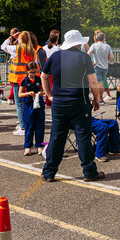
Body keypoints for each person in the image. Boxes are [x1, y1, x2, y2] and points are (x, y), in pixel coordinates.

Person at [41, 30, 104, 183]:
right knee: (83, 137)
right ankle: (89, 171)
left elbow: (44, 76)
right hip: (79, 102)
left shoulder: (55, 56)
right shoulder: (83, 57)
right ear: (79, 43)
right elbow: (93, 81)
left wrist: (49, 95)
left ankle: (49, 172)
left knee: (57, 137)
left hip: (59, 103)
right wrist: (96, 99)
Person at [3, 29, 37, 136]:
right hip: (28, 79)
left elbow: (3, 46)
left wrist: (10, 38)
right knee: (28, 103)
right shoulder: (32, 51)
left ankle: (23, 127)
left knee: (19, 104)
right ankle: (29, 124)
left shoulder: (16, 49)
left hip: (18, 80)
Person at [18, 63, 46, 156]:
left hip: (38, 104)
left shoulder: (39, 79)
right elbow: (19, 94)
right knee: (29, 126)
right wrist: (28, 93)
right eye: (31, 72)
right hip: (28, 104)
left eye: (35, 72)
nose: (33, 74)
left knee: (39, 125)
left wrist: (40, 93)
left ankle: (40, 146)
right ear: (27, 71)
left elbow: (45, 91)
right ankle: (27, 147)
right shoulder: (24, 81)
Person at [88, 30, 114, 102]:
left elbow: (88, 54)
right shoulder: (107, 46)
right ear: (104, 39)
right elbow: (112, 57)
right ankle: (100, 98)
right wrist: (107, 60)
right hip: (105, 67)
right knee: (101, 82)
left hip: (97, 66)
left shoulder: (94, 45)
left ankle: (100, 98)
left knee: (99, 82)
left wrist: (90, 62)